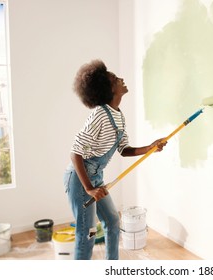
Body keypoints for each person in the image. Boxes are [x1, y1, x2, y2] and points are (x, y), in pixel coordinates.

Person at [63, 59, 166, 260]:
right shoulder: (100, 114)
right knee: (88, 233)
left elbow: (124, 149)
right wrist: (89, 188)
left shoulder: (118, 115)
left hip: (95, 178)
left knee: (111, 221)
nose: (121, 79)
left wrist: (150, 148)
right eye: (115, 78)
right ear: (108, 88)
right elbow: (76, 152)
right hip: (80, 179)